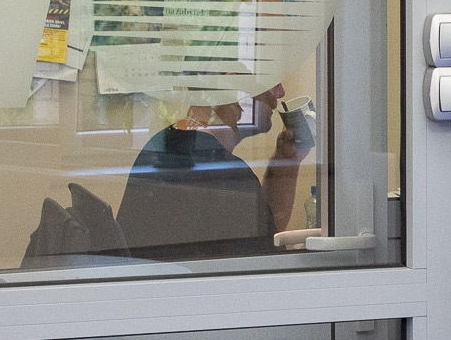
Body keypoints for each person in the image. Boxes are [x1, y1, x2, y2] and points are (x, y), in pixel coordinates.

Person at [23, 83, 311, 266]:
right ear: (232, 93)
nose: (280, 92)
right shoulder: (221, 174)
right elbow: (266, 264)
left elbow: (264, 231)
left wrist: (287, 160)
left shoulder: (166, 144)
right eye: (270, 82)